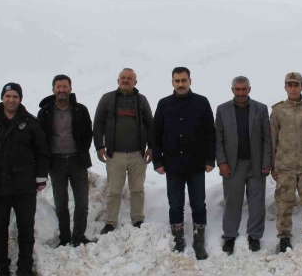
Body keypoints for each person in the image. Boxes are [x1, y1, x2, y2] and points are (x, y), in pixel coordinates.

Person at [0, 83, 49, 276]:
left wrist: (40, 177)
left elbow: (41, 152)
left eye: (15, 96)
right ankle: (3, 269)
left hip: (24, 186)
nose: (11, 100)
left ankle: (25, 268)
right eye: (8, 96)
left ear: (20, 99)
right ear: (2, 97)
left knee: (26, 229)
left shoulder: (30, 122)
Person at [151, 67, 215, 260]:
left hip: (196, 164)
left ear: (190, 81)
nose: (180, 84)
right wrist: (158, 161)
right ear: (172, 82)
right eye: (177, 81)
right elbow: (155, 135)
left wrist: (210, 159)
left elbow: (210, 133)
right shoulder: (164, 104)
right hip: (172, 165)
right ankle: (178, 240)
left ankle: (198, 241)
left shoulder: (201, 102)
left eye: (183, 80)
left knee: (198, 204)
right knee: (175, 205)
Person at [215, 76, 271, 254]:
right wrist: (222, 161)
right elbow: (219, 139)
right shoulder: (222, 110)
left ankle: (254, 236)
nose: (240, 93)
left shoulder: (260, 109)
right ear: (232, 90)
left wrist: (266, 162)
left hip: (255, 165)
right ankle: (229, 236)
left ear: (249, 89)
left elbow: (266, 138)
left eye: (243, 89)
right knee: (232, 201)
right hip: (233, 164)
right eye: (237, 89)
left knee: (257, 202)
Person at [93, 68, 153, 233]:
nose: (126, 80)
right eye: (123, 78)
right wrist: (99, 146)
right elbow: (97, 124)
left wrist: (152, 147)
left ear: (135, 82)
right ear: (118, 80)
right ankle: (111, 222)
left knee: (138, 190)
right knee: (114, 191)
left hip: (138, 155)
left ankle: (138, 219)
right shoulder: (107, 99)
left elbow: (150, 124)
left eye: (129, 78)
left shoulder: (141, 100)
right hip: (115, 154)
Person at [38, 74, 95, 247]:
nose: (62, 90)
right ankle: (64, 237)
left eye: (65, 86)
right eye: (58, 87)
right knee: (61, 202)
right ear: (53, 89)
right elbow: (40, 137)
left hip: (77, 161)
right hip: (56, 163)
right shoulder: (45, 112)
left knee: (82, 202)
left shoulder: (80, 110)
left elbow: (88, 133)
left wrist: (81, 151)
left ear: (70, 88)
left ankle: (79, 236)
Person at [270, 72, 302, 253]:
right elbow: (273, 138)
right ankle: (284, 238)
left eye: (296, 85)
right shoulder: (278, 110)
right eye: (289, 85)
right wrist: (272, 165)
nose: (293, 88)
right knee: (284, 204)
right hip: (285, 167)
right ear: (285, 87)